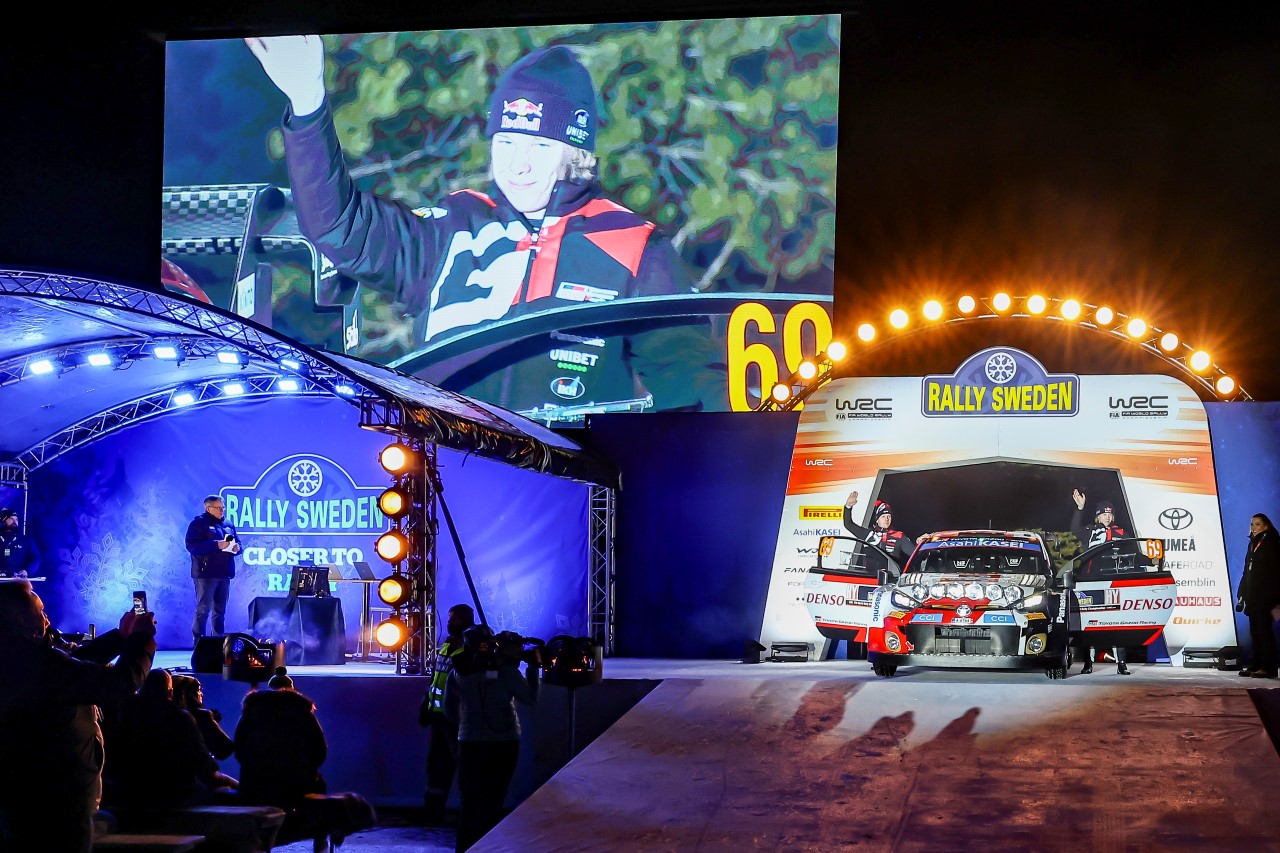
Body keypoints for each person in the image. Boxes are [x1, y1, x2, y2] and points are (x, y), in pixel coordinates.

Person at [244, 35, 728, 416]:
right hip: (444, 475)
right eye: (506, 142)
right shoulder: (450, 229)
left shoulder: (632, 245)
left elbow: (690, 385)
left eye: (540, 146)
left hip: (569, 480)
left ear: (576, 152)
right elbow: (339, 227)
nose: (518, 165)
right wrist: (307, 102)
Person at [0, 580, 156, 853]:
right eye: (41, 611)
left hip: (29, 799)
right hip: (55, 804)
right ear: (21, 619)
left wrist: (120, 638)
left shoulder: (19, 659)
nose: (47, 620)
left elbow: (72, 667)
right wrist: (141, 640)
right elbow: (119, 684)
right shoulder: (37, 665)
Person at [444, 625, 540, 852]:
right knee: (494, 800)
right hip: (503, 743)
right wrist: (533, 668)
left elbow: (449, 710)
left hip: (468, 742)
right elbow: (530, 699)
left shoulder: (457, 672)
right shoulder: (507, 673)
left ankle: (465, 847)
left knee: (469, 801)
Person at [107, 669, 236, 822]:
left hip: (131, 795)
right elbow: (207, 769)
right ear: (170, 693)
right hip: (175, 796)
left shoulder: (125, 715)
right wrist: (202, 715)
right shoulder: (180, 718)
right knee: (230, 791)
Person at [234, 666, 328, 807]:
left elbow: (239, 749)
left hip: (255, 783)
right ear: (292, 689)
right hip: (297, 783)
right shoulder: (303, 712)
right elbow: (320, 751)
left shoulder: (251, 711)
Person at [418, 603, 476, 825]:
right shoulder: (447, 645)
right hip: (439, 716)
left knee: (463, 767)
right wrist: (426, 703)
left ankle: (468, 814)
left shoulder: (470, 649)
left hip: (458, 720)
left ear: (465, 620)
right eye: (450, 618)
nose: (450, 622)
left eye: (454, 619)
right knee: (436, 765)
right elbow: (436, 678)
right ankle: (432, 811)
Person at [1069, 489, 1131, 675]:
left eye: (1110, 514)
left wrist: (1150, 561)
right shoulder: (1090, 530)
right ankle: (1088, 663)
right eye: (1104, 514)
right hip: (1091, 581)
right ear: (1097, 516)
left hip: (1113, 582)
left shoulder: (1121, 532)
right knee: (1090, 623)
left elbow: (1133, 552)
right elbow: (1074, 530)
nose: (1107, 517)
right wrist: (1080, 509)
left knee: (1117, 623)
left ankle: (1121, 664)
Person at [185, 494, 240, 649]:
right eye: (218, 508)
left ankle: (218, 645)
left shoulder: (228, 524)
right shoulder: (198, 524)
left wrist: (237, 548)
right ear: (208, 508)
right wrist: (216, 544)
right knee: (203, 610)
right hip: (206, 575)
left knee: (220, 612)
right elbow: (192, 546)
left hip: (224, 574)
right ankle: (199, 645)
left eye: (223, 508)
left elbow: (238, 542)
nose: (222, 510)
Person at [1236, 513, 1280, 678]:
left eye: (1257, 524)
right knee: (1255, 632)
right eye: (1252, 524)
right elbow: (1247, 571)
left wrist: (1275, 597)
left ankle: (1269, 668)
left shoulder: (1271, 543)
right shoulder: (1252, 544)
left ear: (1266, 526)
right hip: (1253, 595)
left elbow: (1275, 571)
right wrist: (1242, 591)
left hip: (1265, 595)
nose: (1253, 528)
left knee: (1263, 631)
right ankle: (1256, 665)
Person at [842, 491, 917, 569]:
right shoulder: (868, 534)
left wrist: (920, 541)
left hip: (890, 575)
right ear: (877, 520)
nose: (886, 519)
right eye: (883, 516)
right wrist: (848, 507)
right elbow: (848, 524)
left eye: (889, 516)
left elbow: (915, 553)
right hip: (870, 575)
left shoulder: (899, 536)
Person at [172, 673, 236, 760]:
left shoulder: (165, 716)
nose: (201, 694)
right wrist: (210, 723)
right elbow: (225, 749)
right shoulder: (202, 715)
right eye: (198, 690)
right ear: (190, 694)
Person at [0, 507, 41, 578]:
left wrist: (27, 571)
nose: (14, 521)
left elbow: (36, 558)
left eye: (16, 519)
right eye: (10, 519)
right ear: (3, 521)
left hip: (18, 580)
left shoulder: (25, 540)